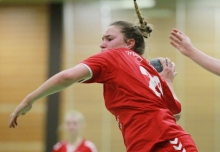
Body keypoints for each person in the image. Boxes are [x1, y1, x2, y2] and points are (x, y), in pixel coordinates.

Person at [9, 0, 198, 151]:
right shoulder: (148, 71)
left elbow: (67, 77)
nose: (102, 45)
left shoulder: (115, 56)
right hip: (145, 145)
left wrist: (29, 100)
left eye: (109, 39)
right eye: (102, 39)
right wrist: (167, 82)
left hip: (166, 143)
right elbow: (176, 113)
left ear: (129, 43)